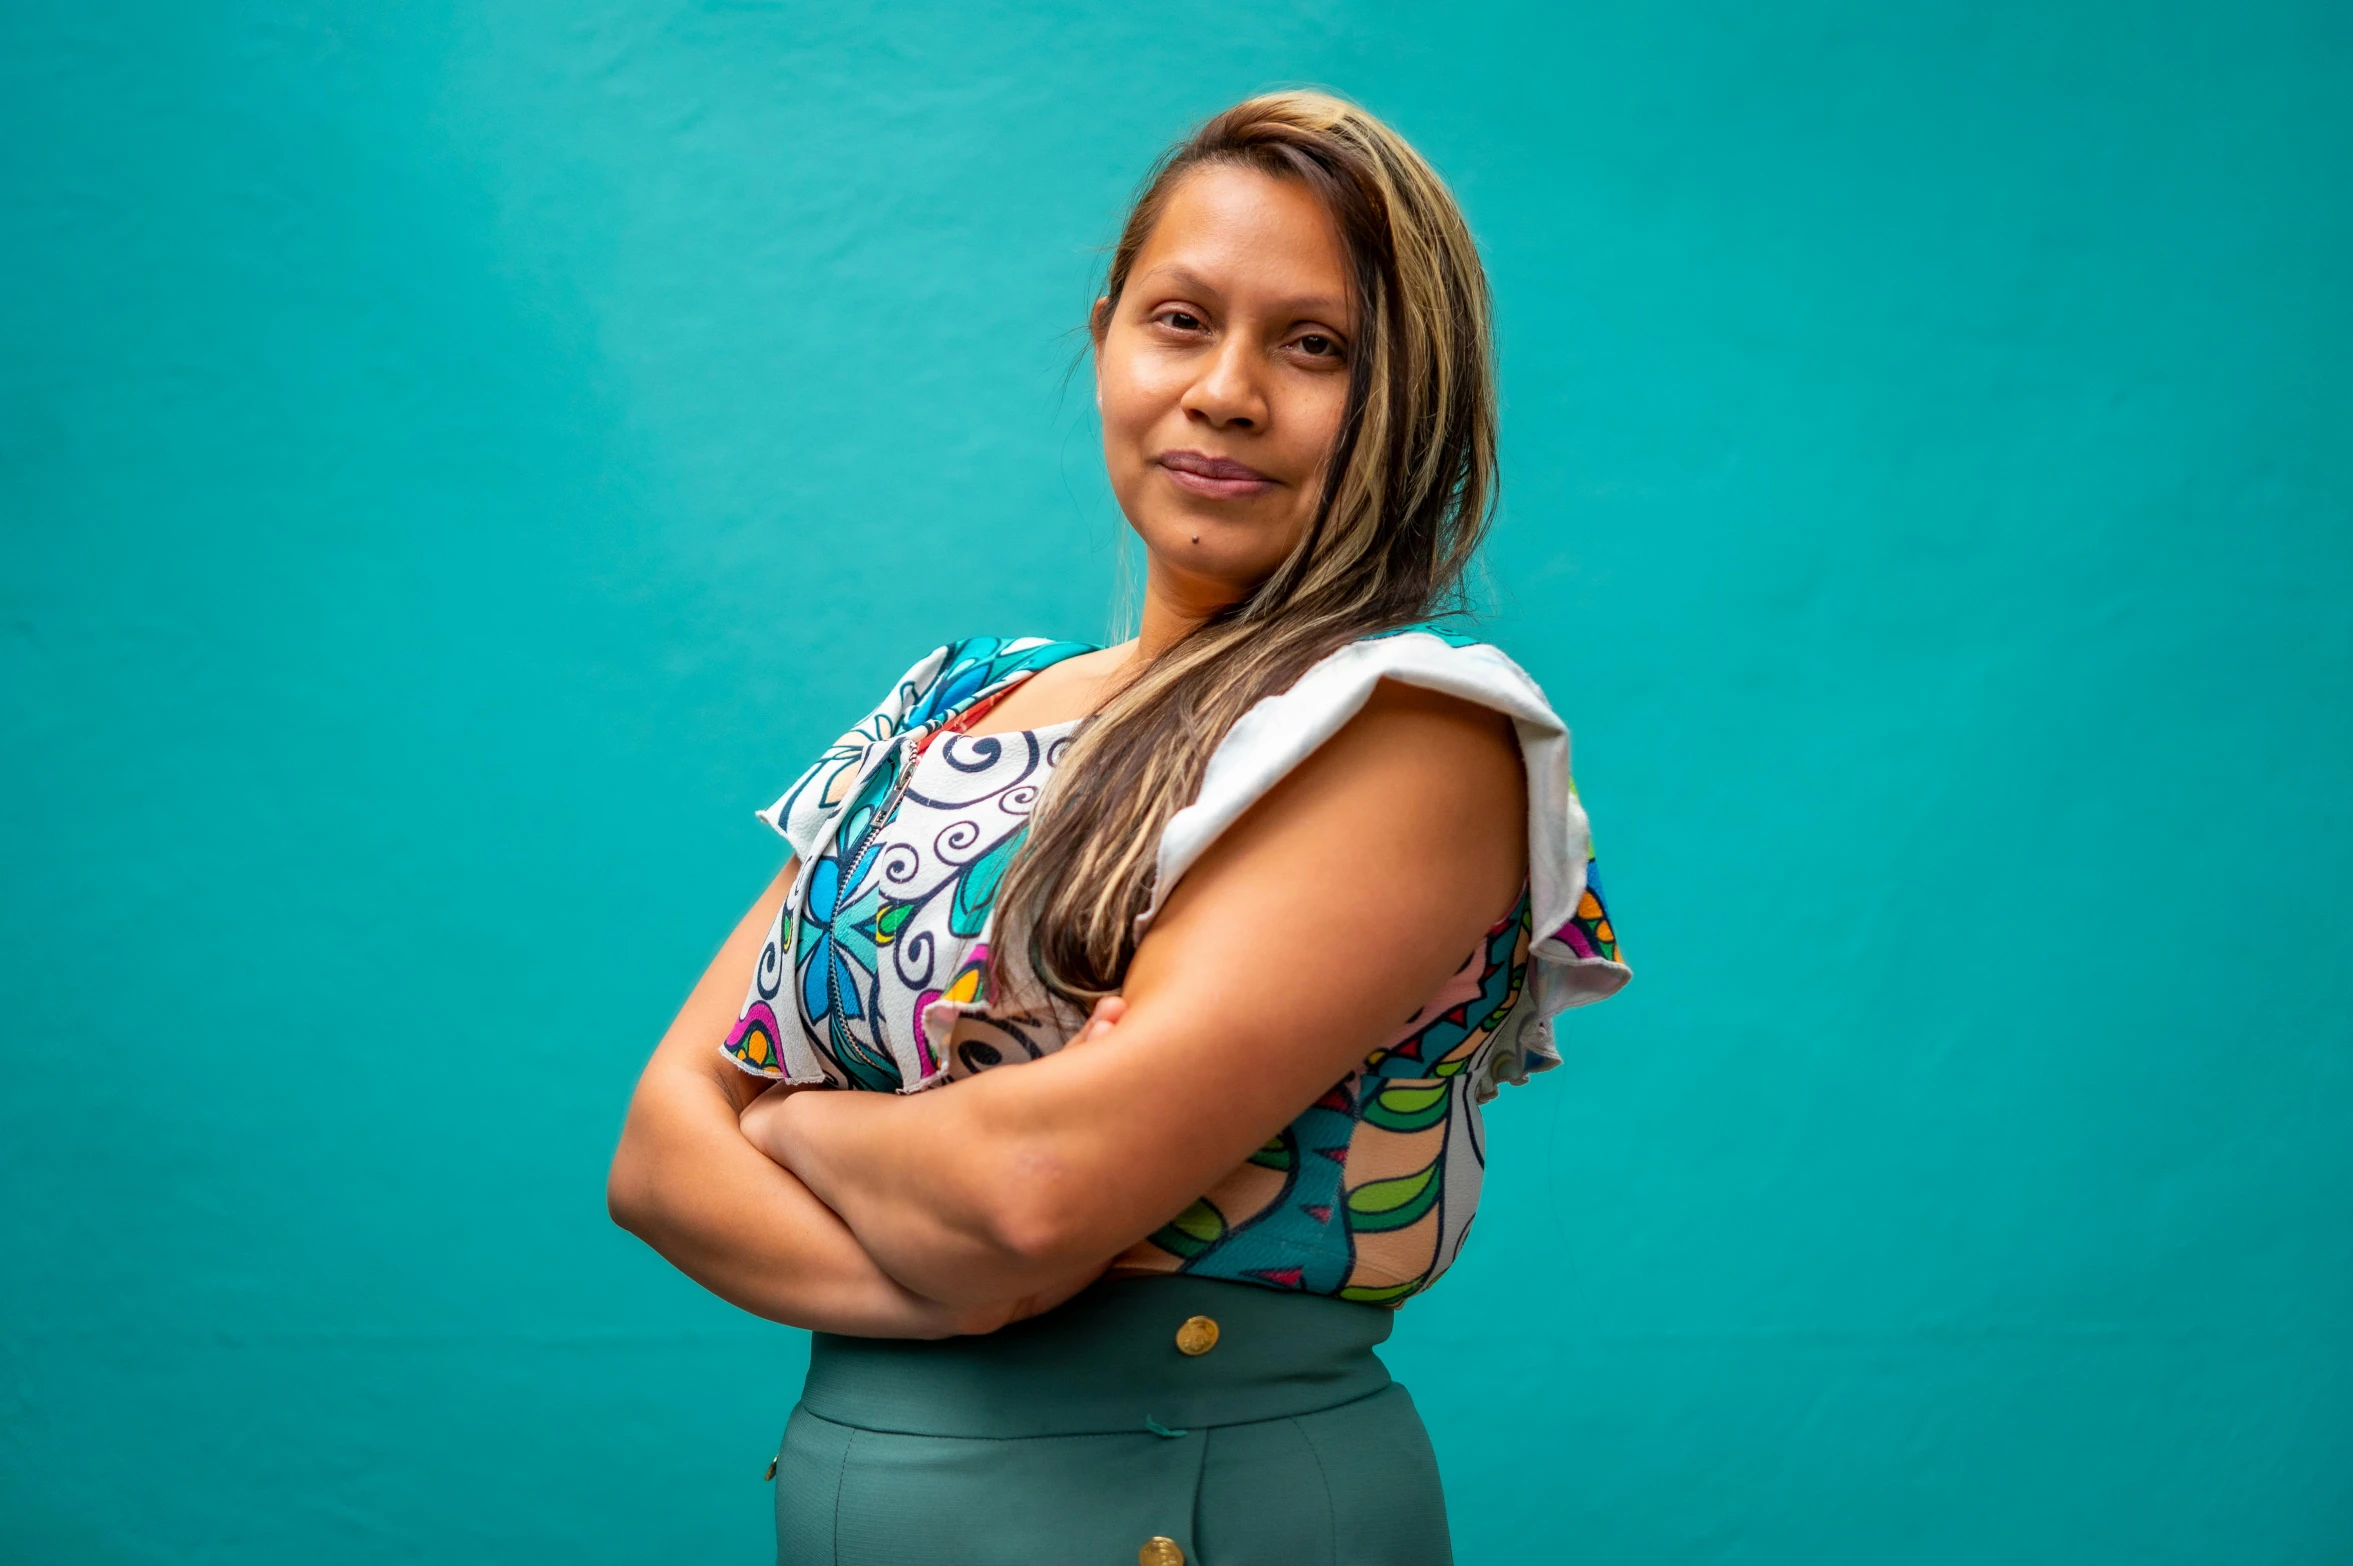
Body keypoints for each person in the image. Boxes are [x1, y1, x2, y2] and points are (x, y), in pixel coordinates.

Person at [607, 89, 1631, 1565]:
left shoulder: (1413, 726)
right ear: (1102, 342)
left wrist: (788, 1114)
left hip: (1187, 1513)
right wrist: (954, 1267)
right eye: (1179, 321)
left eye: (1316, 346)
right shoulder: (954, 698)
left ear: (1416, 400)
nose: (1226, 391)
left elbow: (1031, 1201)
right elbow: (654, 1155)